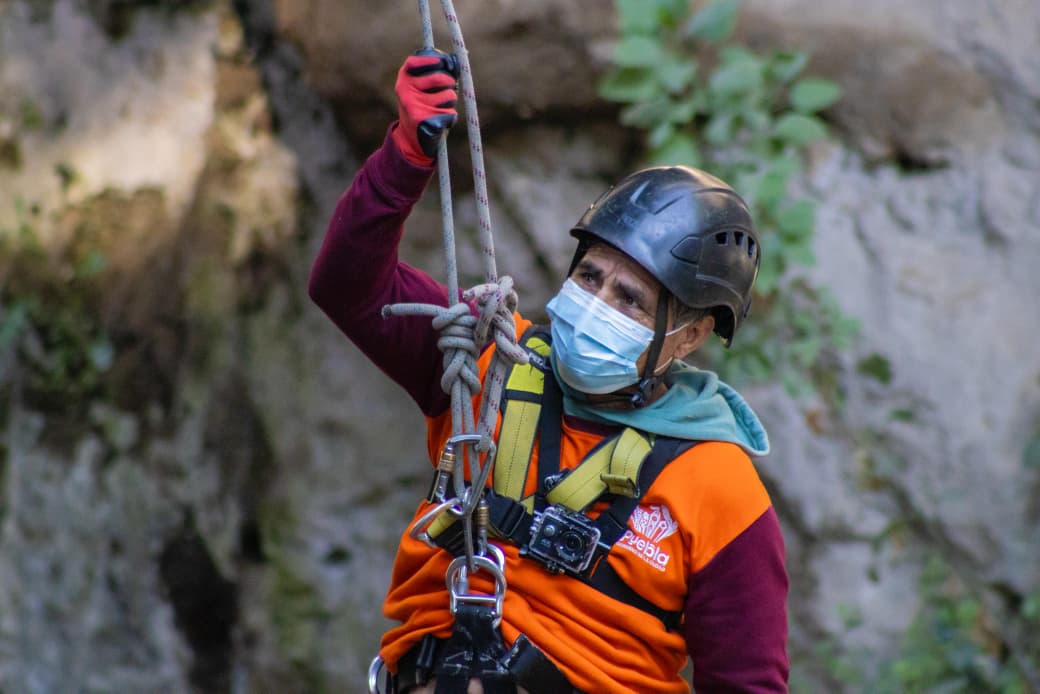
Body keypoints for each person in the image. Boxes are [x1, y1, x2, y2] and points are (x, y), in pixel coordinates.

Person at [309, 50, 788, 694]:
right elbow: (347, 287)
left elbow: (748, 684)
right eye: (589, 276)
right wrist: (404, 155)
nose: (596, 303)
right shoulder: (487, 362)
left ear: (692, 335)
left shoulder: (721, 490)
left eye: (630, 299)